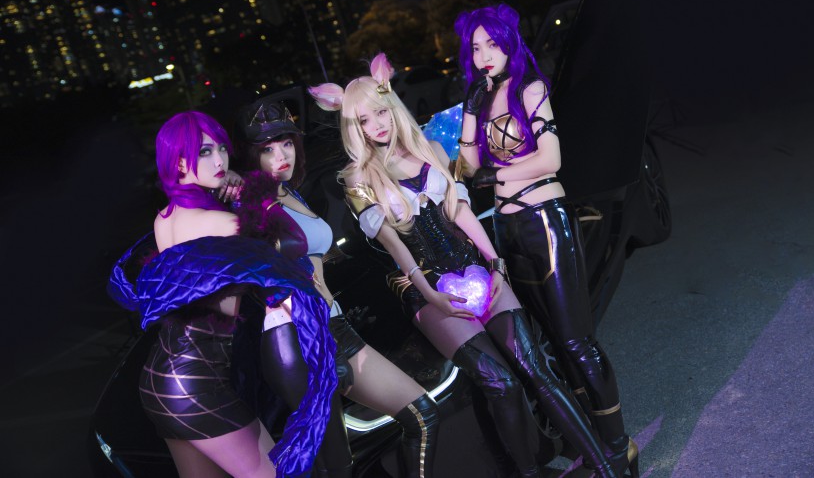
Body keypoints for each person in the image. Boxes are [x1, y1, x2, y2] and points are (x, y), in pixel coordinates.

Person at [309, 53, 618, 478]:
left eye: (380, 112)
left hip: (477, 270)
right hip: (429, 291)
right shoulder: (357, 179)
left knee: (537, 370)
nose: (376, 124)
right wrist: (431, 294)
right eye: (363, 120)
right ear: (353, 128)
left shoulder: (432, 150)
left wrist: (495, 262)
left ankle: (607, 467)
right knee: (501, 383)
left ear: (392, 106)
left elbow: (461, 213)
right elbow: (395, 246)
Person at [454, 3, 639, 477]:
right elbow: (468, 167)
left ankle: (620, 445)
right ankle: (593, 443)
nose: (483, 55)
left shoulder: (530, 89)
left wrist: (498, 174)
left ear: (509, 43)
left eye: (491, 44)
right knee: (552, 344)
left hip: (544, 221)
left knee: (576, 339)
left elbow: (550, 159)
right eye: (475, 48)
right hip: (506, 228)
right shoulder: (481, 98)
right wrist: (471, 111)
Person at [107, 111, 336, 478]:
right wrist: (248, 191)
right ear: (179, 162)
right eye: (204, 152)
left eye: (222, 149)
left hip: (160, 379)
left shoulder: (165, 218)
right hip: (197, 382)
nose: (219, 161)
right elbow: (289, 246)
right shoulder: (223, 224)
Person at [232, 101, 441, 478]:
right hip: (298, 338)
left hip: (335, 325)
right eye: (267, 149)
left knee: (422, 415)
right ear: (251, 156)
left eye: (287, 144)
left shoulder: (290, 193)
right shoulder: (253, 204)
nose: (281, 156)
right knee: (337, 466)